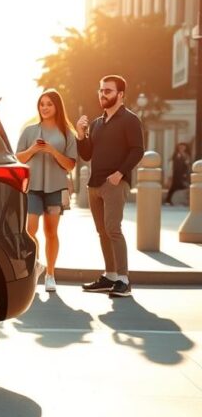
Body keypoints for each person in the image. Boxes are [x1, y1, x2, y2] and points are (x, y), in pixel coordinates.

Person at [75, 75, 145, 297]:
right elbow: (86, 154)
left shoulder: (130, 120)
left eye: (108, 91)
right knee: (102, 232)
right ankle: (110, 276)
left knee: (113, 229)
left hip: (114, 183)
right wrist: (80, 134)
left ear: (120, 94)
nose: (102, 94)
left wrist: (120, 173)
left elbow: (137, 150)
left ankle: (124, 280)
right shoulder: (97, 123)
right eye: (101, 90)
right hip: (95, 183)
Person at [16, 90, 78, 292]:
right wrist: (33, 150)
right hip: (32, 188)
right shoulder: (29, 131)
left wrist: (52, 151)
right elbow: (20, 158)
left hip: (55, 188)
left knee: (51, 232)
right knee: (30, 230)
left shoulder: (67, 134)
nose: (44, 107)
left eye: (49, 104)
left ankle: (50, 274)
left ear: (57, 107)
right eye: (42, 104)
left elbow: (70, 165)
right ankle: (37, 265)